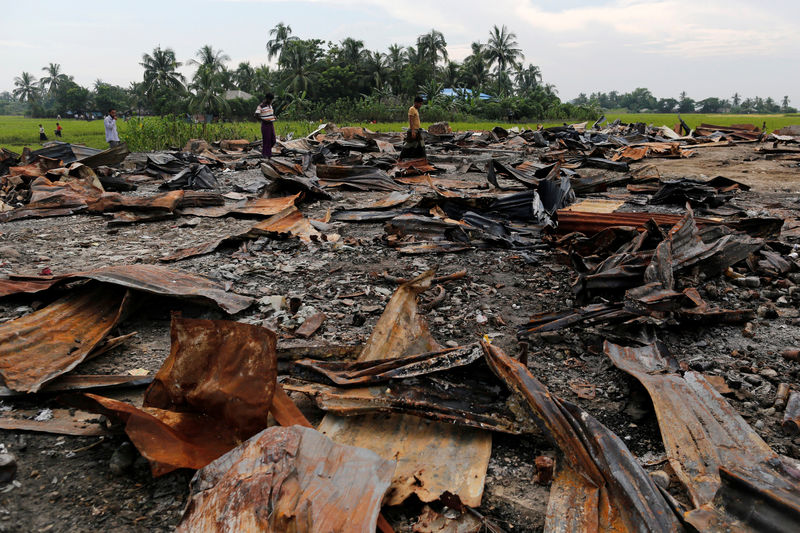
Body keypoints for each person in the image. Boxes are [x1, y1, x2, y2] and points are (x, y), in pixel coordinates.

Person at [255, 93, 277, 159]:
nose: (271, 101)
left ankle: (265, 152)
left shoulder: (270, 106)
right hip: (265, 124)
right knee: (267, 140)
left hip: (271, 124)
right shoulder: (261, 106)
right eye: (270, 100)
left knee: (273, 140)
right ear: (267, 99)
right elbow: (256, 115)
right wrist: (264, 120)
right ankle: (267, 155)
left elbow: (270, 114)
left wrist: (274, 117)